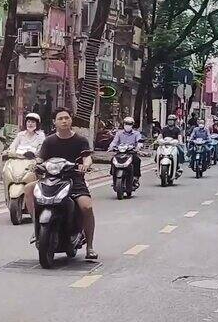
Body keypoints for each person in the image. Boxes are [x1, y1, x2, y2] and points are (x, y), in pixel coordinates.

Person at [25, 108, 97, 260]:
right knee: (29, 188)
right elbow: (40, 158)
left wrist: (86, 164)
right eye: (60, 118)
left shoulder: (80, 140)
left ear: (71, 120)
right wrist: (35, 164)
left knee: (86, 206)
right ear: (54, 122)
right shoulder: (49, 141)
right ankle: (36, 226)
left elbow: (87, 157)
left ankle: (89, 246)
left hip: (74, 179)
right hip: (51, 178)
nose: (64, 121)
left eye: (67, 118)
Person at [108, 116, 144, 188]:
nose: (128, 125)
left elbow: (139, 142)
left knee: (137, 160)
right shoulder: (119, 133)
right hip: (120, 152)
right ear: (123, 124)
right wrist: (111, 147)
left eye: (130, 124)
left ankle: (136, 178)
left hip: (131, 152)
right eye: (126, 123)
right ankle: (114, 177)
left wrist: (138, 147)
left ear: (132, 125)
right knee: (113, 160)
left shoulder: (136, 133)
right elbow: (114, 142)